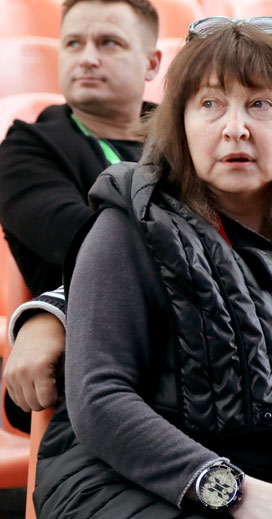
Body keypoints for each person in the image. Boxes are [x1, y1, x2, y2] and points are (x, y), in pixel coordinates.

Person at [32, 17, 272, 519]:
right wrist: (232, 491)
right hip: (132, 479)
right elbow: (99, 398)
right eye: (209, 104)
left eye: (260, 104)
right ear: (181, 123)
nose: (235, 127)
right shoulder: (130, 222)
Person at [0, 0, 161, 431]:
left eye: (108, 43)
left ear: (151, 63)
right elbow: (92, 244)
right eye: (73, 43)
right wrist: (53, 312)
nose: (87, 57)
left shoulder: (186, 134)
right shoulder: (28, 149)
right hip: (97, 370)